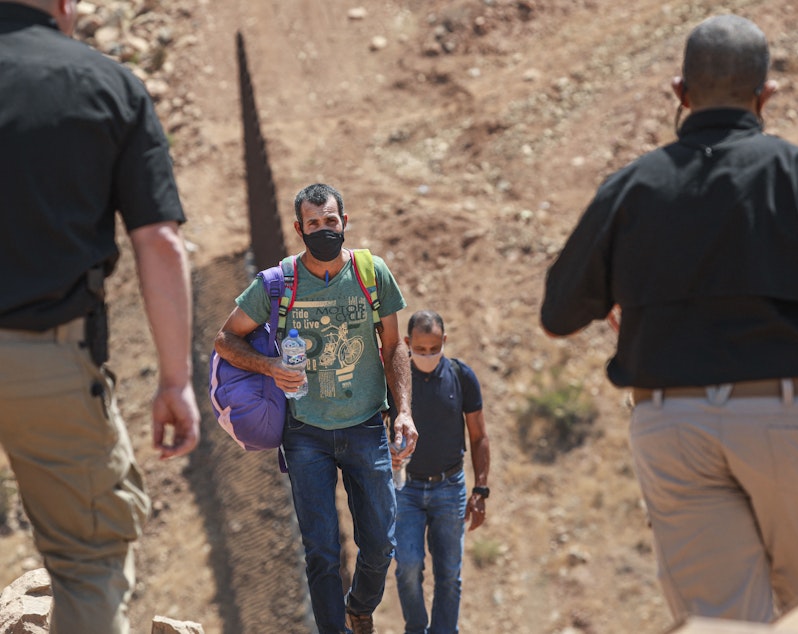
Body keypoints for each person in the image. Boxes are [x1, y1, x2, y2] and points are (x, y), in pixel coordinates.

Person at [541, 13, 798, 626]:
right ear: (767, 95)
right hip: (789, 418)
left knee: (723, 623)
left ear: (680, 93)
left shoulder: (632, 187)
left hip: (671, 428)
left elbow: (560, 310)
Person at [0, 1, 201, 633]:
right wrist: (175, 382)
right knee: (88, 563)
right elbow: (160, 244)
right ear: (63, 6)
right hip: (49, 360)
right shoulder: (107, 85)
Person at [214, 182, 417, 634]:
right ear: (298, 229)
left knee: (381, 543)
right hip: (305, 433)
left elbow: (394, 348)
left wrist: (402, 410)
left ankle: (360, 606)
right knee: (321, 551)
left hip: (366, 425)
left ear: (344, 222)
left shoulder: (371, 273)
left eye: (331, 222)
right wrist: (269, 366)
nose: (323, 230)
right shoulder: (276, 283)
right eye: (313, 224)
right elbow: (225, 339)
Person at [389, 310, 490, 634]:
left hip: (450, 488)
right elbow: (376, 428)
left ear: (444, 342)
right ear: (407, 344)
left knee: (449, 573)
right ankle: (416, 628)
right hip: (405, 489)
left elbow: (479, 435)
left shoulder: (461, 376)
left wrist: (480, 490)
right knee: (408, 565)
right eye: (421, 349)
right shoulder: (395, 381)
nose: (428, 355)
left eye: (434, 349)